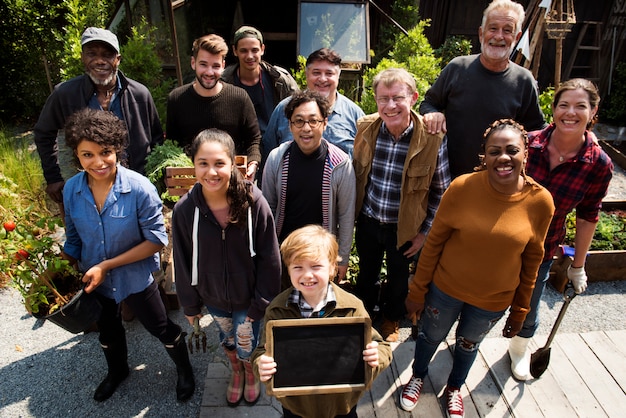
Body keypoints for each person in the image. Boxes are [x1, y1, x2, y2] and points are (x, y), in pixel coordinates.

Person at [400, 119, 555, 417]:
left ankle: (455, 387)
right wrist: (418, 290)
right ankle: (417, 376)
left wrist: (521, 309)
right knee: (430, 337)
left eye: (512, 150)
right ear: (484, 156)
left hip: (493, 299)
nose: (504, 158)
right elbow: (433, 244)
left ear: (526, 153)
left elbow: (533, 259)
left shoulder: (540, 202)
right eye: (494, 151)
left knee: (469, 345)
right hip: (446, 290)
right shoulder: (462, 188)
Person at [61, 108, 193, 402]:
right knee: (107, 330)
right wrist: (54, 272)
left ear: (117, 149)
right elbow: (72, 239)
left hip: (135, 278)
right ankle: (117, 371)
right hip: (95, 282)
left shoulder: (138, 188)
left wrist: (107, 265)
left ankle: (185, 370)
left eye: (105, 152)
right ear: (77, 156)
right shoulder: (72, 190)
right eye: (87, 155)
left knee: (161, 327)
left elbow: (157, 240)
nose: (98, 162)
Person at [508, 78, 614, 381]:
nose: (571, 112)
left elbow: (588, 215)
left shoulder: (599, 164)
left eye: (580, 106)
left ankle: (518, 350)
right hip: (501, 241)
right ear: (553, 109)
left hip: (543, 247)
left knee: (528, 304)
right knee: (481, 298)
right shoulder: (525, 143)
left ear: (593, 112)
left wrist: (578, 266)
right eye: (564, 105)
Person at [171, 128, 281, 406]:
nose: (212, 172)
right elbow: (182, 262)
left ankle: (249, 370)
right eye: (203, 163)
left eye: (220, 163)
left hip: (249, 296)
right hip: (213, 296)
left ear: (233, 163)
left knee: (246, 339)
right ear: (193, 164)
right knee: (226, 336)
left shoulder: (253, 202)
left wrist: (262, 301)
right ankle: (235, 371)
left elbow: (270, 256)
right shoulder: (185, 211)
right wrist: (190, 306)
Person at [253, 224, 392, 418]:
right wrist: (261, 363)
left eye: (316, 266)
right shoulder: (278, 309)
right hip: (297, 406)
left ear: (333, 267)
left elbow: (381, 345)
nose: (307, 275)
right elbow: (262, 349)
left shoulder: (352, 307)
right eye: (298, 267)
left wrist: (376, 356)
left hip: (341, 405)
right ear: (288, 269)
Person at [352, 68, 450, 343]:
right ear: (375, 99)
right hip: (369, 220)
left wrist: (424, 234)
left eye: (398, 97)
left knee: (397, 279)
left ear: (414, 98)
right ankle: (364, 316)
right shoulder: (366, 128)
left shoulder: (432, 139)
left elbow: (442, 193)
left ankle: (392, 319)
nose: (390, 105)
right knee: (367, 275)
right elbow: (356, 175)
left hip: (405, 228)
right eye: (383, 98)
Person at [34, 27, 163, 207]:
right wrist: (53, 176)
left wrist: (155, 179)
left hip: (135, 188)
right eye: (92, 54)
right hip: (87, 190)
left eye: (107, 55)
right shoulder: (65, 94)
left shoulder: (139, 94)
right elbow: (43, 134)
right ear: (83, 58)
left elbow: (156, 139)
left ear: (117, 59)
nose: (100, 61)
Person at [419, 0, 545, 179]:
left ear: (517, 37)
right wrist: (433, 114)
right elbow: (429, 103)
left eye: (507, 30)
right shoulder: (457, 68)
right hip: (448, 178)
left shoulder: (524, 80)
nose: (499, 36)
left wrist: (582, 137)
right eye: (493, 28)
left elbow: (537, 128)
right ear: (481, 33)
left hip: (496, 181)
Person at [262, 90, 355, 289]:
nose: (306, 128)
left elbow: (346, 215)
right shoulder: (277, 158)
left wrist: (342, 258)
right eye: (299, 121)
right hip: (284, 252)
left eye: (313, 121)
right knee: (285, 306)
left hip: (320, 255)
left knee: (317, 311)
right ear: (290, 125)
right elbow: (268, 207)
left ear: (325, 123)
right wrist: (267, 251)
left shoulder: (340, 164)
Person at [166, 34, 261, 181]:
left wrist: (253, 161)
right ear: (193, 63)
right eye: (203, 64)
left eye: (215, 66)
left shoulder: (239, 98)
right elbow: (171, 143)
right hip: (190, 182)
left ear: (223, 66)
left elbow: (253, 139)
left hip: (232, 179)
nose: (209, 72)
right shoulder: (177, 99)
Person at [262, 48, 364, 165]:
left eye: (329, 73)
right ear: (306, 74)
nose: (322, 79)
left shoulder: (355, 115)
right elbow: (267, 155)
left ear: (338, 75)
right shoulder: (284, 109)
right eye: (316, 73)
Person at [221, 25, 299, 138]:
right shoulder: (223, 81)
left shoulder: (280, 79)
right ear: (234, 51)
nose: (250, 56)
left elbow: (299, 110)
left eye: (254, 50)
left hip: (275, 144)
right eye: (243, 51)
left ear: (262, 49)